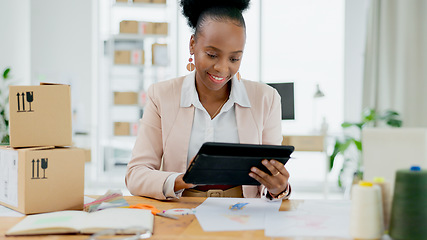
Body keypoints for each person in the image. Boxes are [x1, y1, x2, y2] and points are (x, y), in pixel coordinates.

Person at [125, 0, 291, 201]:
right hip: (182, 210)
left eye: (234, 59)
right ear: (193, 44)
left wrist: (279, 188)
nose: (221, 68)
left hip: (243, 213)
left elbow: (271, 183)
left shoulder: (266, 99)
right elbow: (135, 174)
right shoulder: (161, 95)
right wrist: (184, 179)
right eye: (212, 55)